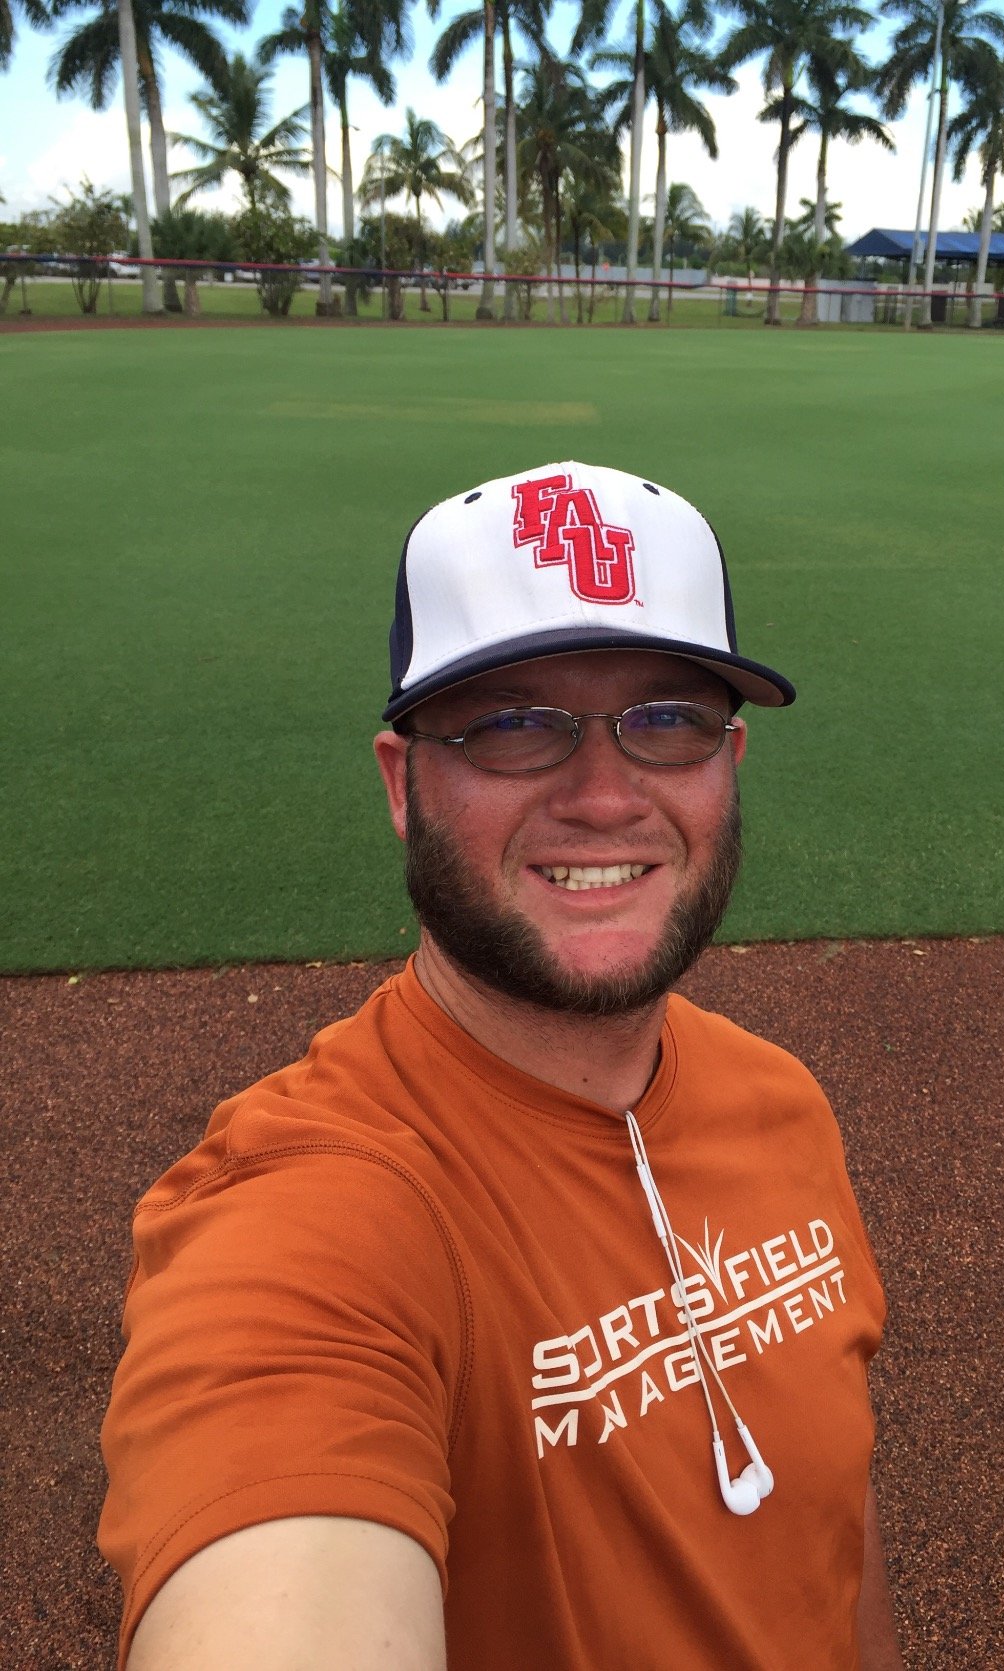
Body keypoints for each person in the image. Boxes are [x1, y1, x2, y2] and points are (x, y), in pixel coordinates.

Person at [99, 462, 901, 1670]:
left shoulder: (778, 1102)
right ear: (402, 785)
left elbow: (829, 1537)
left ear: (729, 765)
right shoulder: (309, 1217)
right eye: (513, 724)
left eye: (666, 719)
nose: (601, 794)